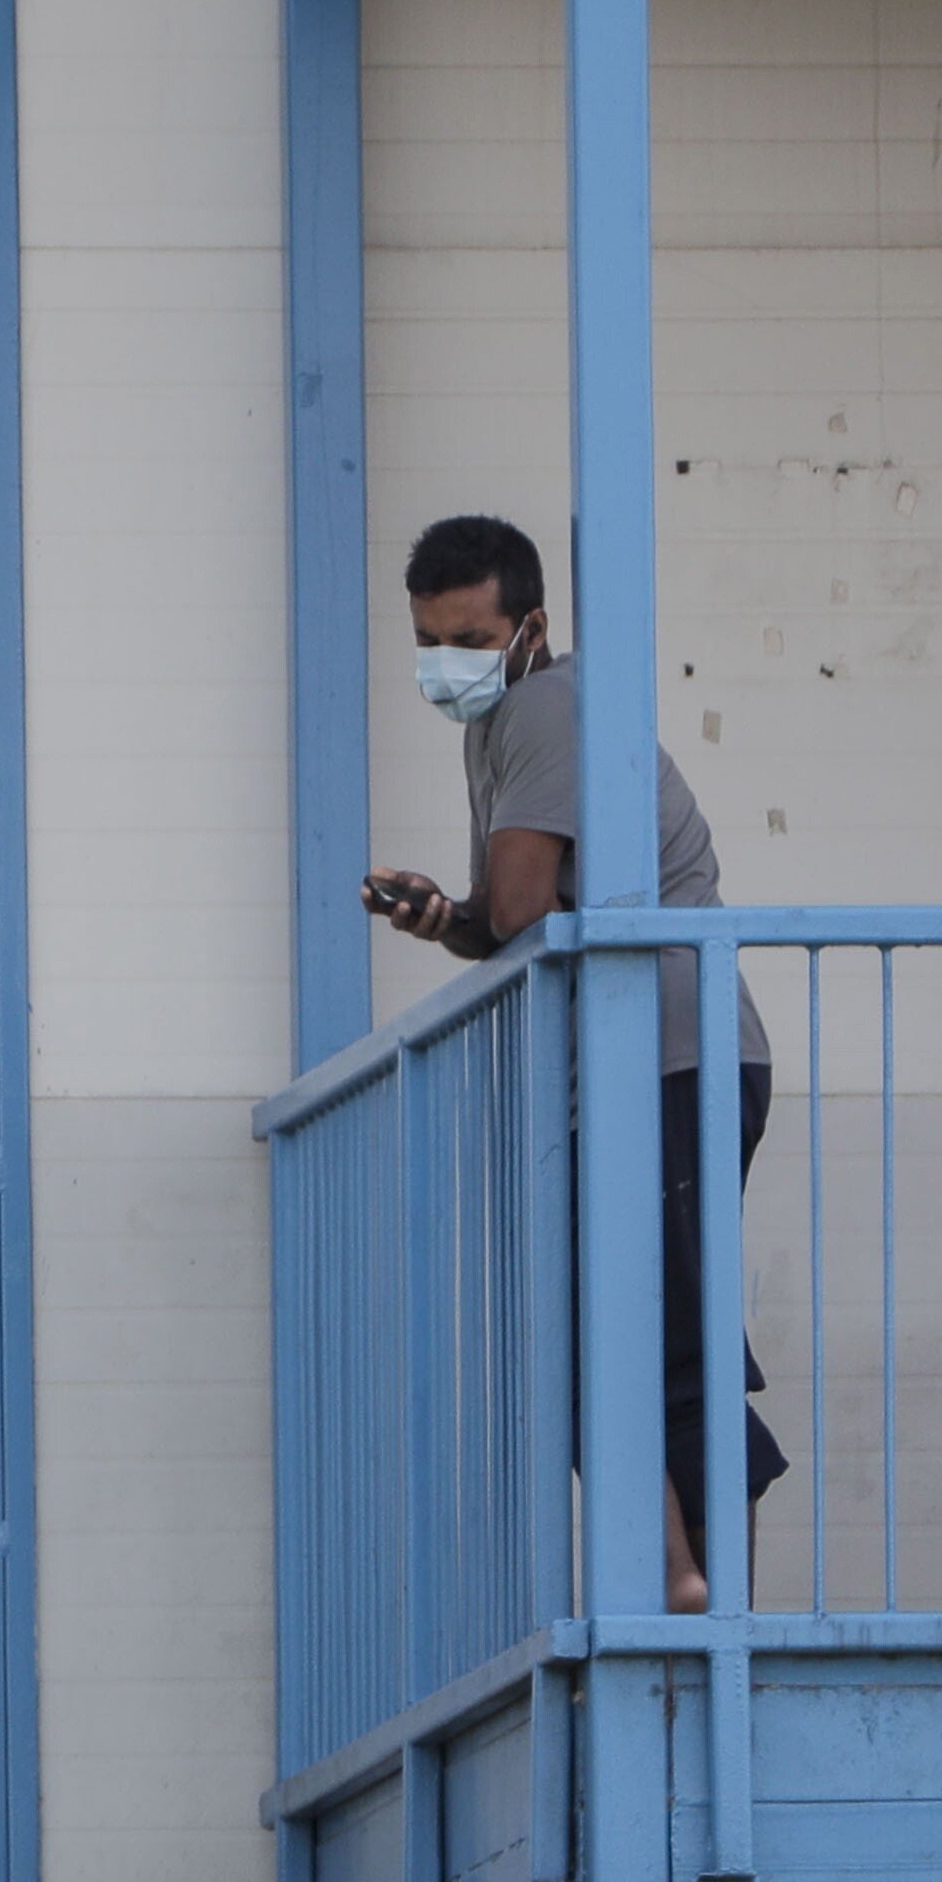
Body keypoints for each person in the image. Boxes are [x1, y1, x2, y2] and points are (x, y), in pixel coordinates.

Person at [360, 513, 785, 1614]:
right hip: (624, 1073)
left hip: (673, 1057)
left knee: (660, 1337)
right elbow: (506, 917)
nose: (443, 664)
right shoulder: (497, 719)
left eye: (464, 636)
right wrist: (438, 917)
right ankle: (679, 1580)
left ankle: (707, 1594)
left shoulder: (548, 701)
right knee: (602, 1333)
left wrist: (481, 911)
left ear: (530, 626)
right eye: (426, 639)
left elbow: (513, 906)